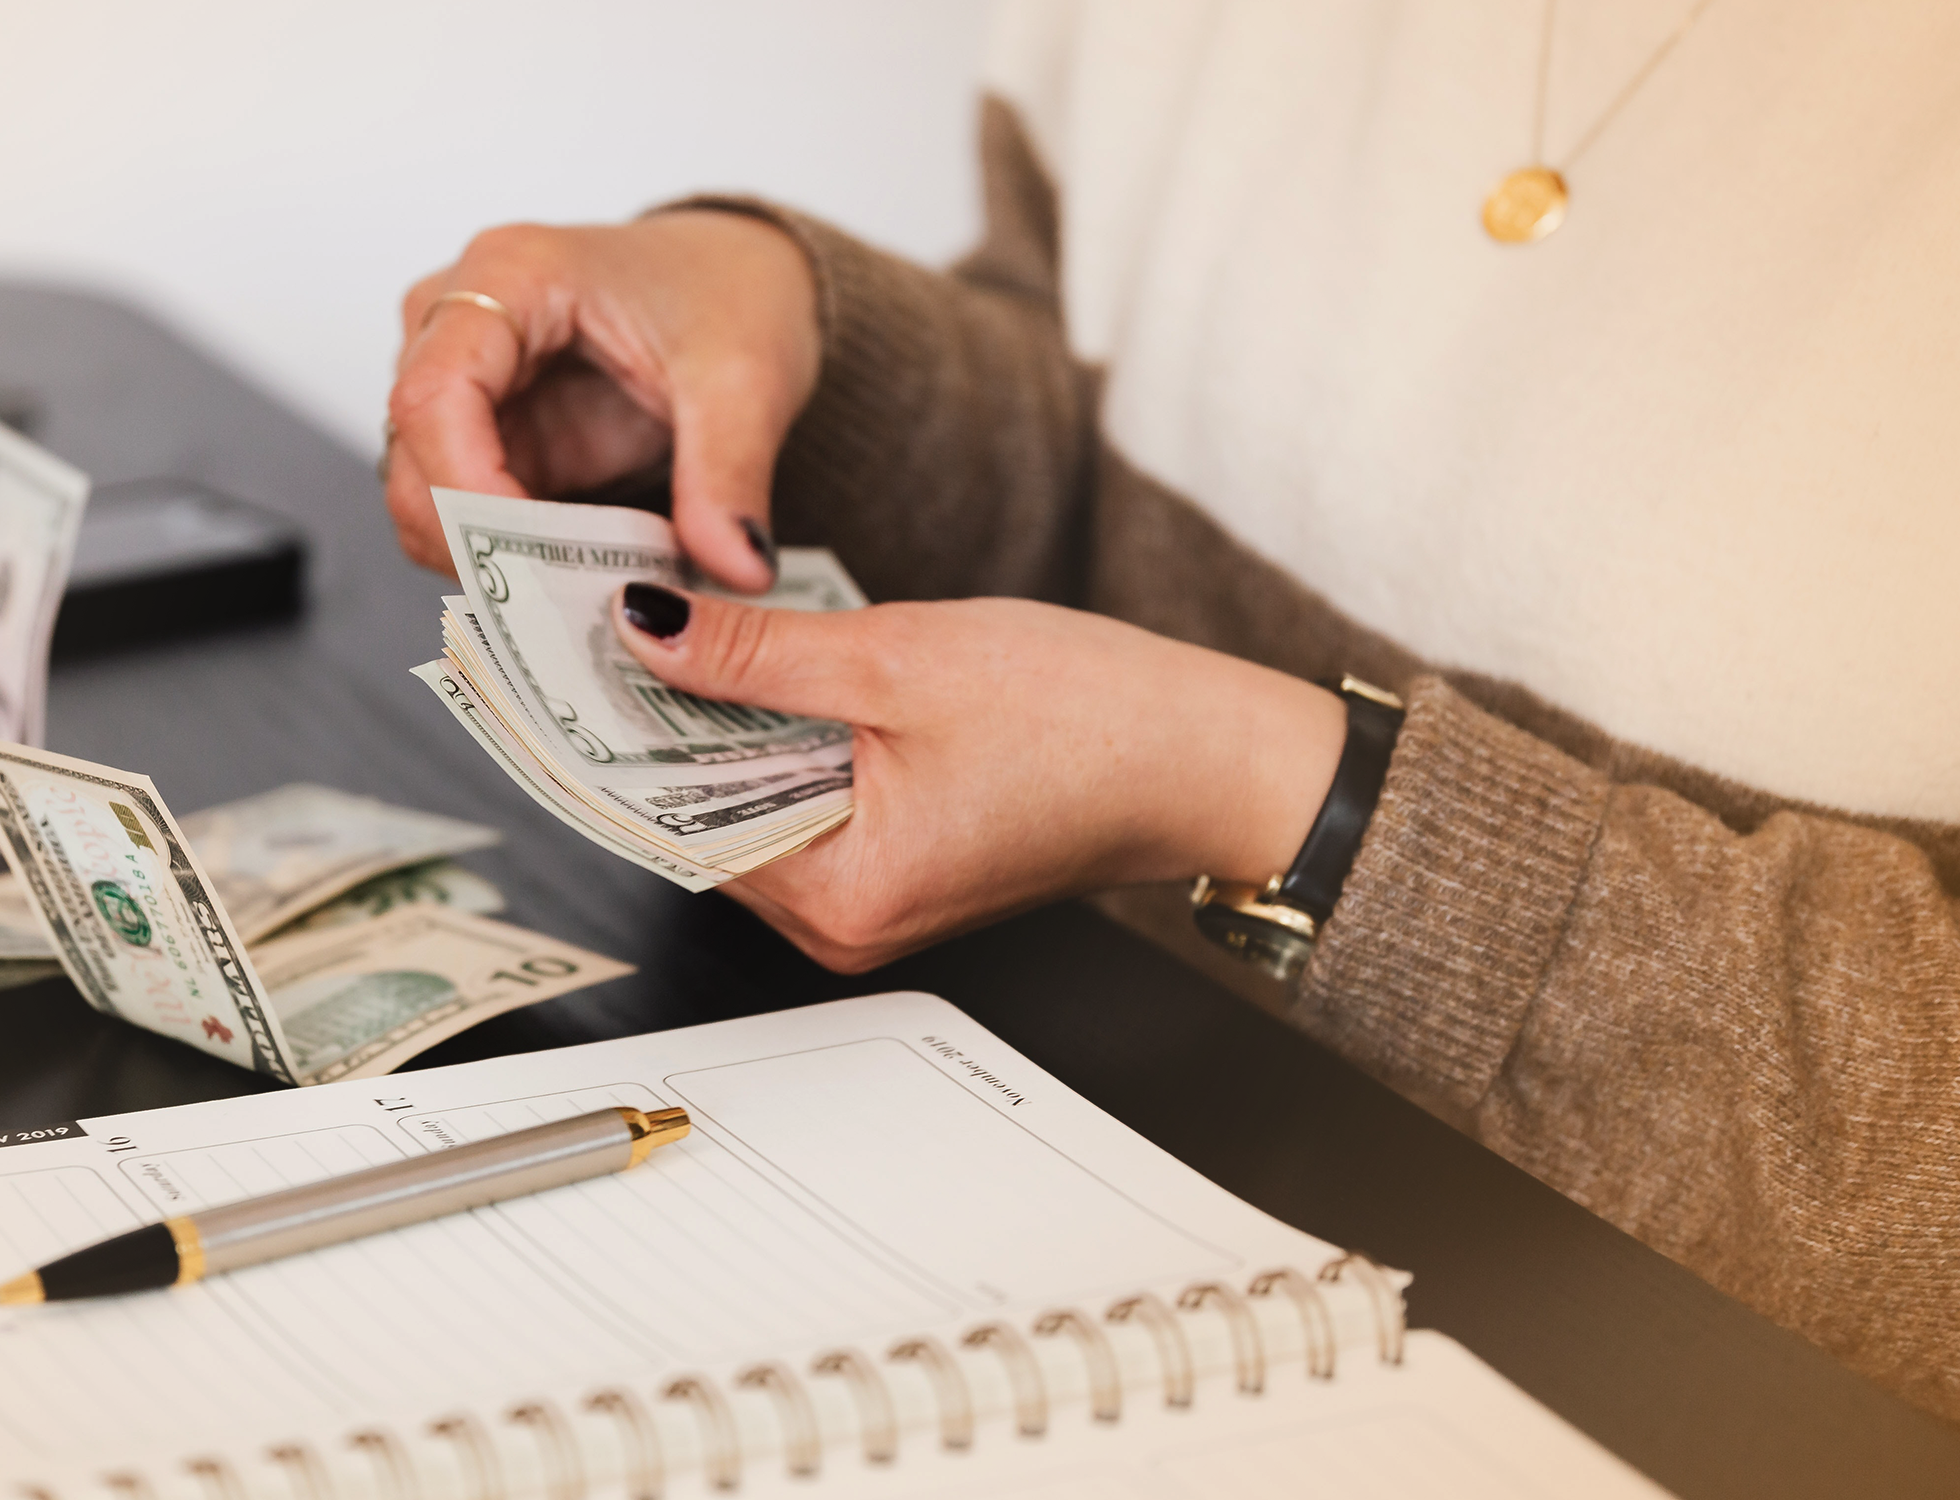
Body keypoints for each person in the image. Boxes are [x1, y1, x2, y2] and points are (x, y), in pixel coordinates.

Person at [377, 2, 1960, 1421]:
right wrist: (800, 332)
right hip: (1043, 1174)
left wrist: (1291, 804)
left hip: (1669, 1403)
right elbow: (1102, 405)